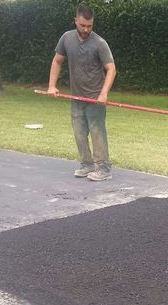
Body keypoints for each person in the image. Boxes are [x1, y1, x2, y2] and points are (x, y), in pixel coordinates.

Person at [47, 4, 116, 181]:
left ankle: (103, 169)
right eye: (83, 25)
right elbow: (57, 61)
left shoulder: (99, 43)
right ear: (76, 21)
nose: (86, 29)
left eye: (89, 26)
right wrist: (52, 86)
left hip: (95, 98)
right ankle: (87, 164)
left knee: (97, 132)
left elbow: (111, 69)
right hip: (76, 97)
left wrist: (103, 94)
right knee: (79, 133)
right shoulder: (66, 38)